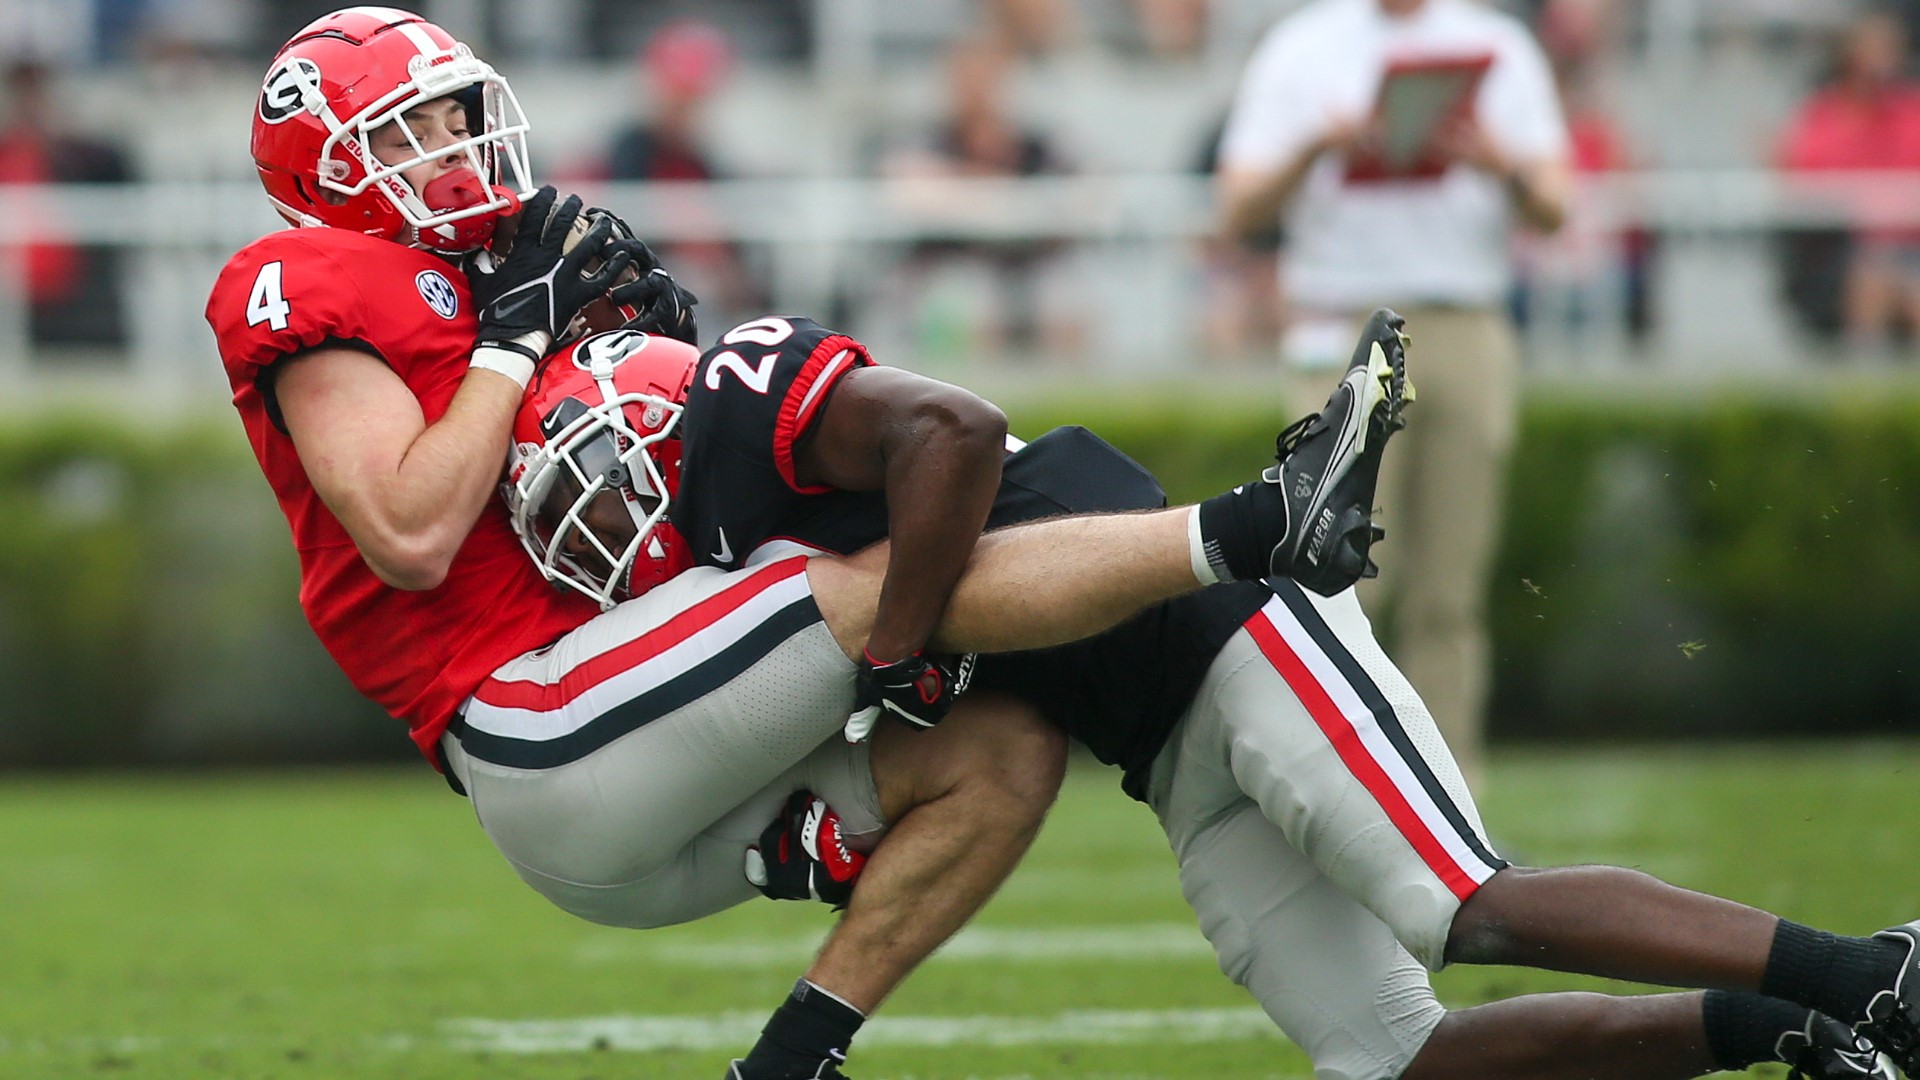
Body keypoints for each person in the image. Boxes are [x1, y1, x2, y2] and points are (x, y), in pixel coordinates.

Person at [205, 12, 1403, 1080]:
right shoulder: (306, 282)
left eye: (461, 117)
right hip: (536, 730)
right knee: (854, 591)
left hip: (667, 732)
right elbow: (411, 532)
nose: (460, 149)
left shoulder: (485, 270)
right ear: (332, 166)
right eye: (417, 130)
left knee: (1001, 756)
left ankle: (788, 1065)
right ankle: (1255, 526)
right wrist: (516, 343)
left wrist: (633, 347)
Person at [532, 308, 1917, 1079]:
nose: (585, 524)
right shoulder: (712, 546)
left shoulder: (733, 397)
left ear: (636, 413)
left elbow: (948, 432)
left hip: (1236, 632)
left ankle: (1878, 973)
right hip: (1161, 744)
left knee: (1462, 904)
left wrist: (895, 645)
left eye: (585, 481)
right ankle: (1791, 1026)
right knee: (1396, 1062)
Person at [1216, 0, 1572, 786]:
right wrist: (1319, 145)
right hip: (1340, 322)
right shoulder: (1300, 48)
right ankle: (1333, 785)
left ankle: (1450, 798)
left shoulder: (1496, 45)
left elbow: (1555, 204)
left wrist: (1493, 161)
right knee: (1329, 580)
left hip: (1461, 323)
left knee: (1449, 590)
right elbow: (1237, 207)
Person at [1776, 7, 1920, 356]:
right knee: (1872, 278)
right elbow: (1809, 178)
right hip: (1842, 249)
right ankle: (1862, 393)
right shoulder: (1824, 113)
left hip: (1908, 245)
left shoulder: (1909, 110)